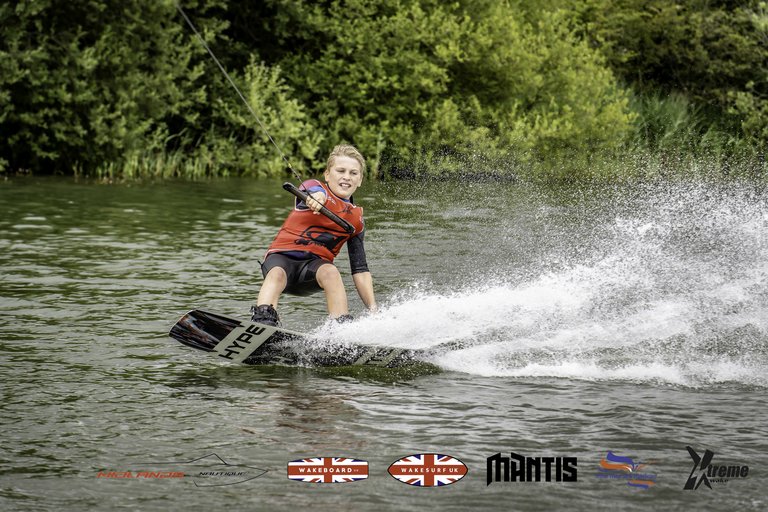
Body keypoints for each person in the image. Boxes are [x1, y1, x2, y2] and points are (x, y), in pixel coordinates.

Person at [251, 144, 377, 326]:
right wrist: (318, 198)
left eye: (353, 173)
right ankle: (263, 321)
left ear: (360, 180)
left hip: (311, 272)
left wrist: (373, 311)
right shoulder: (314, 187)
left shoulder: (356, 221)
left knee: (331, 272)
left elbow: (360, 270)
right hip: (281, 261)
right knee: (277, 274)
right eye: (340, 171)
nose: (346, 177)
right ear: (327, 174)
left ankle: (341, 328)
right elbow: (313, 191)